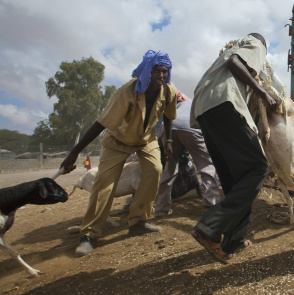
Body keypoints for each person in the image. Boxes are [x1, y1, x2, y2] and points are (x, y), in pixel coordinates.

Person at [60, 50, 178, 257]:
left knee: (154, 169)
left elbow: (168, 116)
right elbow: (101, 124)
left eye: (165, 71)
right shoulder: (126, 92)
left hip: (145, 138)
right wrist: (74, 153)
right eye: (157, 71)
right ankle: (89, 234)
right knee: (104, 183)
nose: (161, 75)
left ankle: (139, 221)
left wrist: (168, 141)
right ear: (147, 72)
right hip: (118, 141)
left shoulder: (168, 91)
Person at [189, 33, 277, 263]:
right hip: (225, 103)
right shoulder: (255, 44)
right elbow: (235, 62)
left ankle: (233, 242)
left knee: (237, 181)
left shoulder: (219, 60)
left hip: (204, 110)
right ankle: (209, 227)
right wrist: (263, 91)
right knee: (258, 168)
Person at [154, 90, 220, 217]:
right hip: (190, 127)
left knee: (169, 170)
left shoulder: (172, 107)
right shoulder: (193, 102)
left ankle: (161, 209)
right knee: (206, 166)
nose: (180, 94)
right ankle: (211, 204)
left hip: (167, 131)